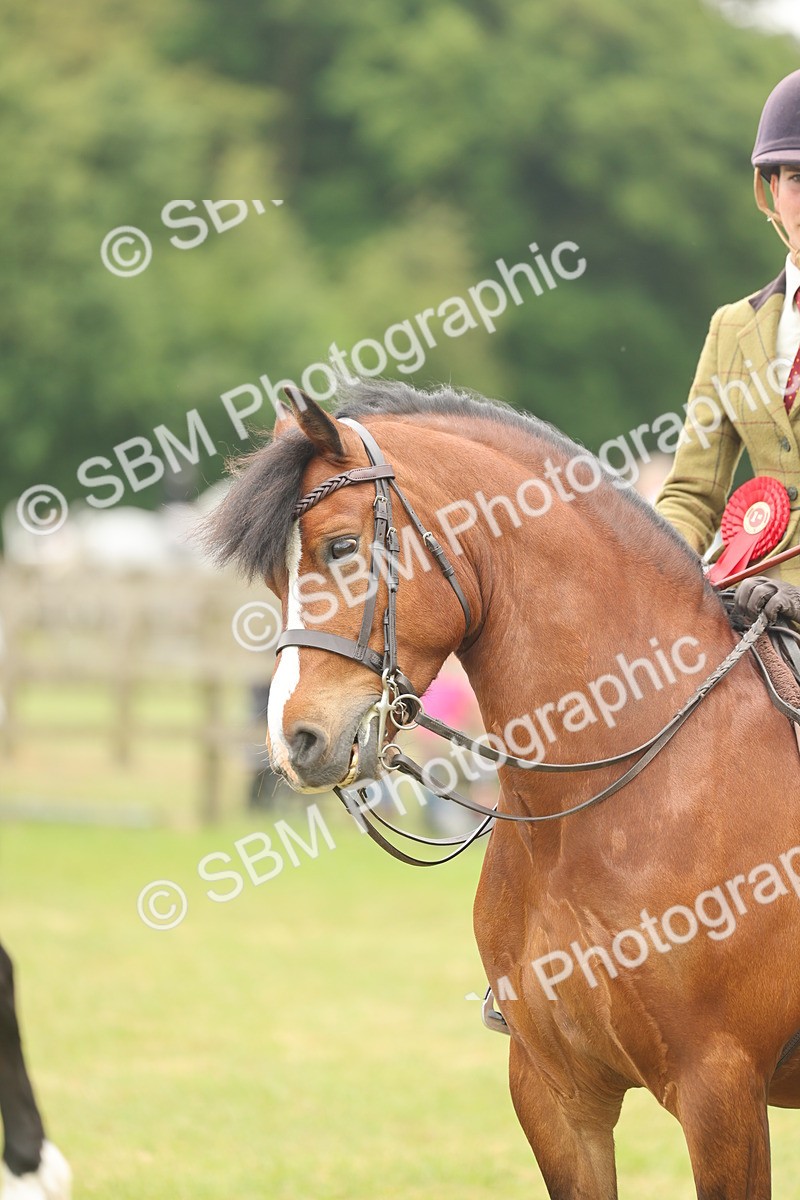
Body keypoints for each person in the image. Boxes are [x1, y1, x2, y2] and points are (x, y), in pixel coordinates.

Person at [655, 69, 800, 625]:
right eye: (794, 179)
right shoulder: (730, 327)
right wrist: (648, 562)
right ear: (770, 191)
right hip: (748, 592)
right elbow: (692, 495)